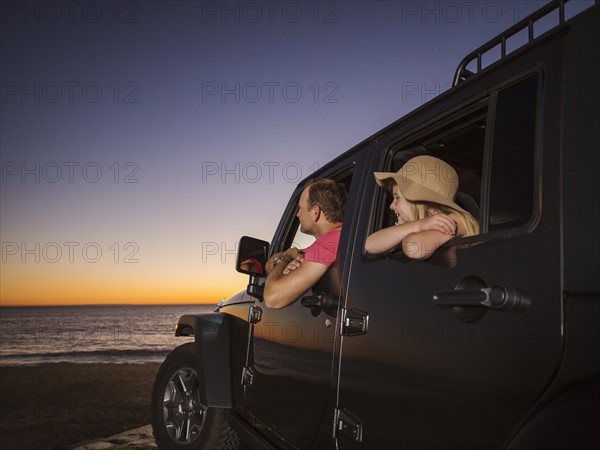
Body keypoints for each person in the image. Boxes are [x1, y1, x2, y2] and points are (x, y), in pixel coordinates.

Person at [365, 155, 479, 260]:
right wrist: (420, 225)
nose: (391, 205)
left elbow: (413, 248)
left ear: (421, 201)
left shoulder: (456, 220)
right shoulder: (420, 227)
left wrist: (419, 226)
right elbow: (370, 245)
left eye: (397, 198)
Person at [263, 178, 347, 309]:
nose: (297, 214)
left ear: (315, 212)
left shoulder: (331, 242)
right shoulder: (331, 240)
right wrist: (286, 258)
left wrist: (284, 258)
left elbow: (272, 298)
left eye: (301, 208)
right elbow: (269, 265)